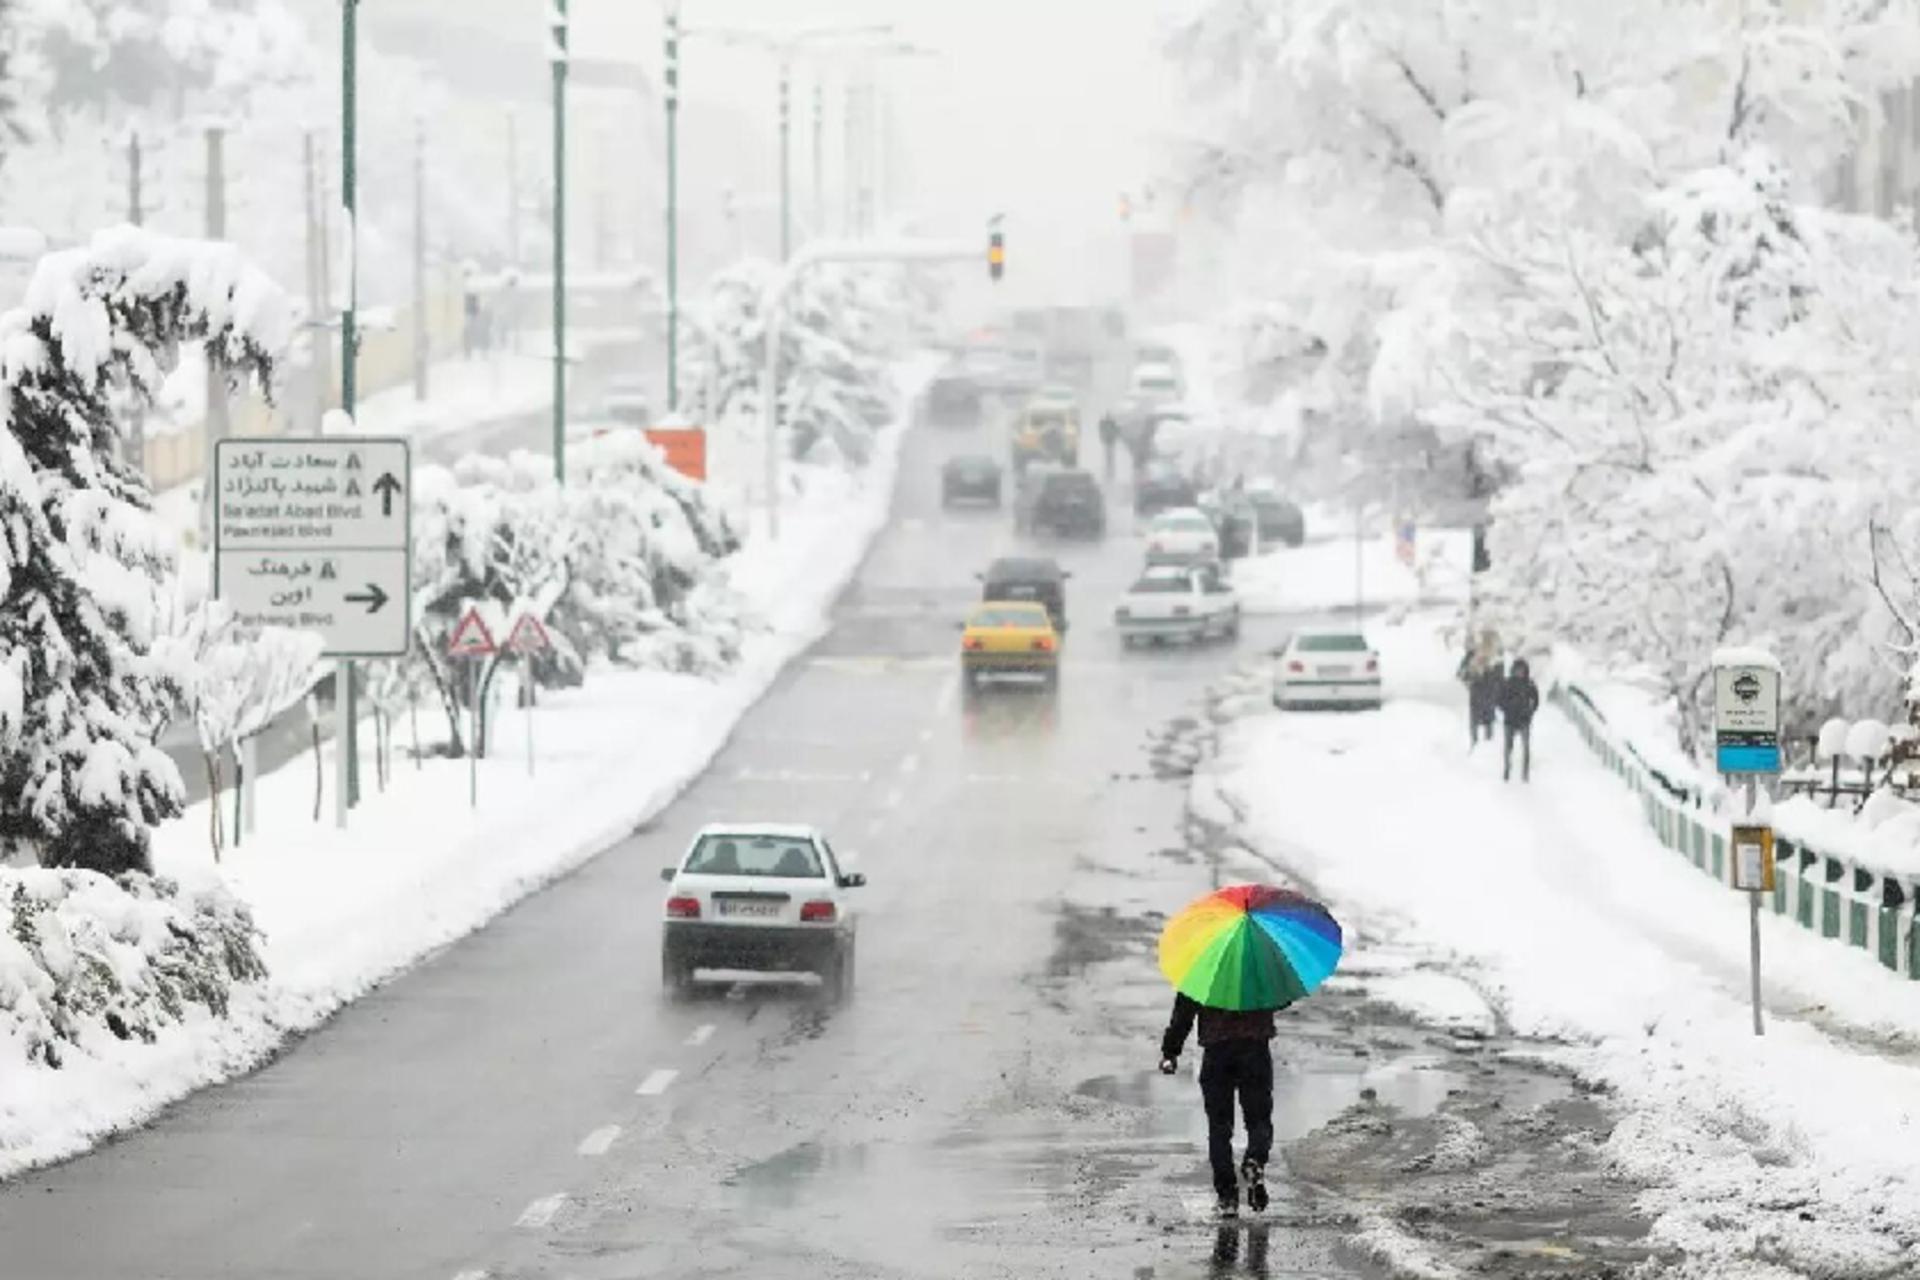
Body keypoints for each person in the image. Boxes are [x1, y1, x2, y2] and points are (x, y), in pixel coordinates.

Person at [1160, 992, 1287, 1218]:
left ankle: (1227, 1197)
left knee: (1219, 1127)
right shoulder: (1260, 972)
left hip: (1217, 1051)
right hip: (1255, 1049)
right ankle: (1255, 1160)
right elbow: (1281, 998)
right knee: (1259, 1120)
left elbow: (1184, 1012)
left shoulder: (1204, 975)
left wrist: (1171, 1051)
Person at [1500, 657, 1540, 782]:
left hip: (1524, 720)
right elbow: (1500, 699)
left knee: (1526, 748)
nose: (1519, 672)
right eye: (1517, 670)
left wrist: (1530, 711)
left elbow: (1536, 700)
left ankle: (1525, 773)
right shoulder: (1507, 683)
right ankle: (1507, 770)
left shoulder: (1529, 684)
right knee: (1508, 747)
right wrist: (1506, 709)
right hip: (1509, 720)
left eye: (1522, 670)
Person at [1098, 412, 1120, 479]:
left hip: (1109, 441)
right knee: (1109, 456)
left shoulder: (1110, 423)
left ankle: (1109, 470)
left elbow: (1115, 431)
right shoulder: (1110, 423)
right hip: (1109, 441)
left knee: (1109, 456)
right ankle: (1109, 470)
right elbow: (1115, 431)